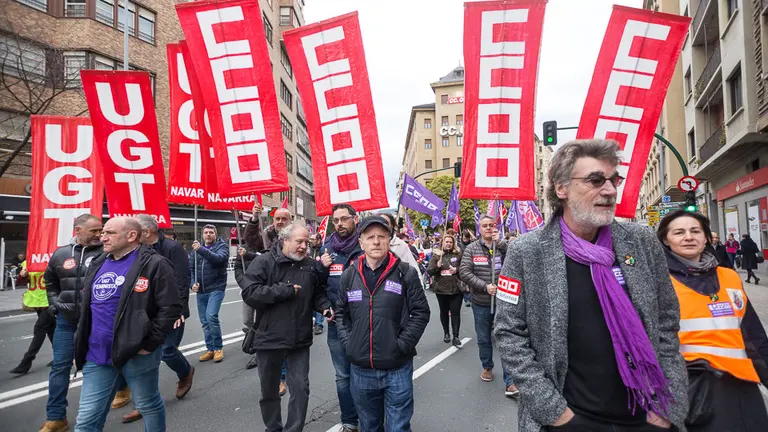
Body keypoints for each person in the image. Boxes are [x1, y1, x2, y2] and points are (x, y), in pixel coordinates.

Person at [494, 139, 689, 432]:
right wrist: (557, 414)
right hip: (569, 420)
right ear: (562, 188)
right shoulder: (527, 251)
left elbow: (666, 322)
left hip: (647, 417)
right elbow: (509, 333)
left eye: (614, 180)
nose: (610, 190)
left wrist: (667, 410)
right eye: (595, 180)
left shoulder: (641, 241)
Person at [657, 210, 768, 431]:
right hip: (691, 389)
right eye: (679, 232)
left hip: (741, 384)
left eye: (695, 231)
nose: (688, 237)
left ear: (706, 237)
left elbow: (753, 336)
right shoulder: (658, 282)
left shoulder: (729, 276)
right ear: (665, 241)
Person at [73, 217, 181, 432]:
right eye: (102, 232)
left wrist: (150, 344)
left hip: (136, 352)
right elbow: (87, 309)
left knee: (147, 404)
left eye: (110, 233)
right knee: (86, 421)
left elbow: (170, 307)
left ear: (131, 236)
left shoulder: (155, 264)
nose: (102, 236)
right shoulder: (98, 262)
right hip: (97, 353)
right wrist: (80, 346)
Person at [336, 216, 430, 431]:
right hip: (361, 370)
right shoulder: (349, 275)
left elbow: (421, 312)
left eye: (381, 236)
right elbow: (340, 313)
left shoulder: (405, 273)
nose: (376, 242)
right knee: (369, 426)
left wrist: (401, 346)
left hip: (396, 367)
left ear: (389, 240)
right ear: (361, 243)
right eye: (370, 237)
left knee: (398, 427)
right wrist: (350, 343)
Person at [241, 223, 332, 432]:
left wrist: (325, 307)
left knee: (301, 389)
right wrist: (284, 291)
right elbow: (250, 293)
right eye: (299, 242)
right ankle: (273, 428)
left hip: (299, 339)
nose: (303, 247)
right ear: (285, 240)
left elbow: (316, 293)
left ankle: (294, 429)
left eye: (306, 243)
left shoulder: (309, 265)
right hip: (268, 338)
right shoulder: (263, 262)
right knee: (269, 391)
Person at [117, 214, 195, 424]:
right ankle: (143, 403)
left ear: (147, 231)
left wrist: (177, 310)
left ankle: (186, 372)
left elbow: (181, 280)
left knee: (168, 351)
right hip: (145, 314)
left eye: (135, 229)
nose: (130, 233)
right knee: (143, 358)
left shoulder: (172, 248)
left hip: (172, 311)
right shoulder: (135, 250)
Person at [40, 214, 103, 432]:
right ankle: (56, 417)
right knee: (60, 367)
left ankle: (122, 388)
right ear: (78, 230)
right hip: (65, 322)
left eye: (100, 230)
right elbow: (50, 281)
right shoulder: (61, 253)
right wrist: (55, 304)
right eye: (93, 230)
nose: (99, 235)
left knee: (102, 364)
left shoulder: (107, 253)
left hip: (97, 321)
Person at [459, 215, 516, 396]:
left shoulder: (502, 247)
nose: (489, 228)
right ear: (479, 228)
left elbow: (514, 263)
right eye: (485, 226)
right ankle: (487, 366)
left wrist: (501, 245)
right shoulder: (472, 249)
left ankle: (510, 381)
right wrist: (485, 286)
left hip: (504, 301)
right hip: (481, 302)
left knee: (506, 339)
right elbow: (464, 272)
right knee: (484, 339)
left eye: (491, 225)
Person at [321, 204, 364, 432]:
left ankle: (370, 417)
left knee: (366, 371)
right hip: (337, 324)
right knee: (342, 376)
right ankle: (350, 421)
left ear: (355, 220)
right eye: (335, 220)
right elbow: (318, 285)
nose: (339, 224)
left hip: (364, 322)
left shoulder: (366, 244)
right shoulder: (326, 249)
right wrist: (325, 307)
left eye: (344, 219)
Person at [189, 224, 230, 363]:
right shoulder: (196, 248)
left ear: (215, 234)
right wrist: (192, 283)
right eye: (206, 232)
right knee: (205, 322)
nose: (208, 235)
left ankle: (218, 348)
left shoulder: (222, 247)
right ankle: (210, 349)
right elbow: (191, 269)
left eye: (211, 232)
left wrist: (200, 250)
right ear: (202, 234)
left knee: (211, 316)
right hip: (201, 290)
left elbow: (218, 259)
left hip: (216, 288)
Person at [10, 260, 55, 375]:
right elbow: (20, 282)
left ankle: (26, 361)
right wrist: (22, 275)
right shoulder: (28, 262)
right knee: (50, 329)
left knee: (39, 328)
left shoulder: (52, 259)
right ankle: (62, 356)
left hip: (48, 301)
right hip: (36, 301)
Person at [236, 203, 266, 370]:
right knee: (248, 321)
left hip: (262, 290)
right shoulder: (242, 250)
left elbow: (263, 260)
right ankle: (253, 342)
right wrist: (245, 285)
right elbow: (238, 270)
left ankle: (258, 352)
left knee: (261, 321)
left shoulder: (264, 248)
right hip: (249, 291)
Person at [427, 234, 463, 348]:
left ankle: (456, 336)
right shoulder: (437, 255)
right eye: (446, 242)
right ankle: (446, 333)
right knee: (444, 312)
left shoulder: (458, 255)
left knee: (455, 312)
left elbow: (465, 268)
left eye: (451, 242)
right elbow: (429, 271)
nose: (448, 244)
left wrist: (456, 270)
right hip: (441, 289)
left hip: (456, 289)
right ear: (442, 243)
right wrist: (437, 266)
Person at [380, 213, 423, 280]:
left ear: (392, 226)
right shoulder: (370, 245)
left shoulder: (400, 245)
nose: (382, 226)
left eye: (386, 223)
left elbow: (414, 271)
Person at [309, 233, 326, 335]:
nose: (310, 241)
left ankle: (319, 324)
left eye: (313, 239)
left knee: (320, 302)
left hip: (320, 281)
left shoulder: (323, 250)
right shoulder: (308, 250)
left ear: (319, 241)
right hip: (310, 280)